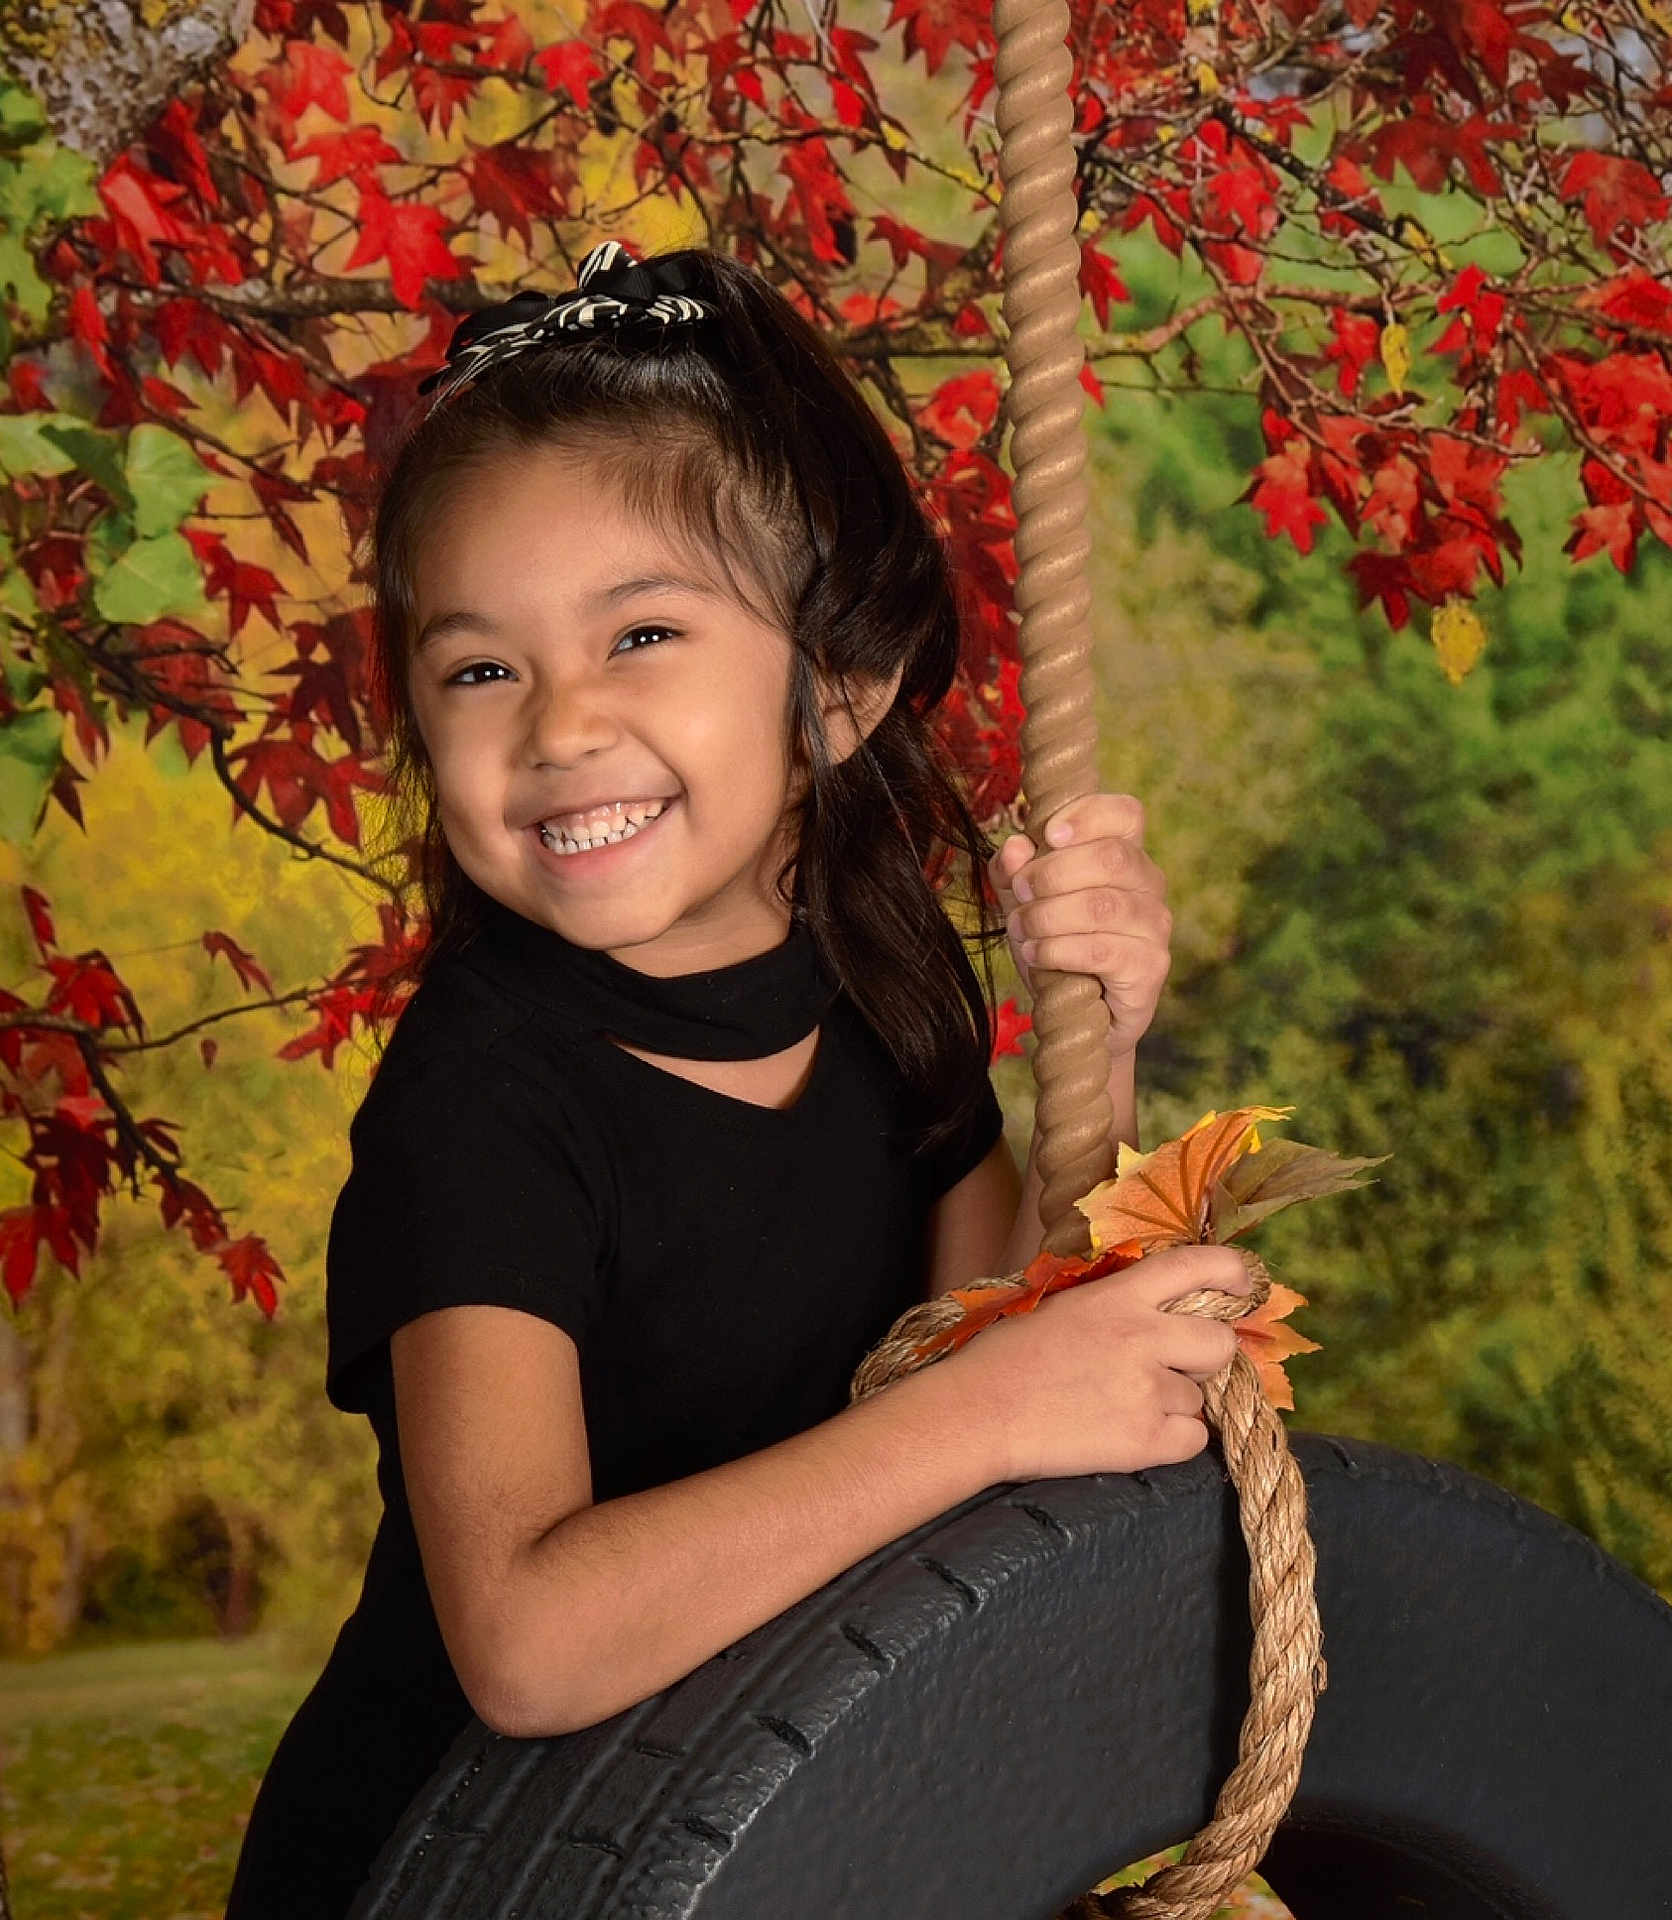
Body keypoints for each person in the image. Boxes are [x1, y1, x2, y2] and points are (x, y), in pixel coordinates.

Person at [222, 239, 1249, 1919]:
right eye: (479, 666)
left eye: (640, 632)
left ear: (835, 689)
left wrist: (1103, 1035)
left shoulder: (884, 984)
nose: (556, 722)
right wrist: (975, 1418)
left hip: (770, 1812)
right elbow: (531, 1642)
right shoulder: (482, 1105)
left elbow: (1009, 1334)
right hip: (477, 1863)